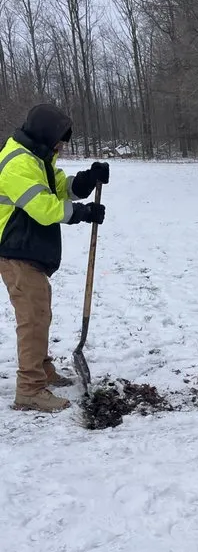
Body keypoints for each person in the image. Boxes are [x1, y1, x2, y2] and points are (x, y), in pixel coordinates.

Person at [0, 103, 108, 413]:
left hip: (27, 248)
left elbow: (59, 187)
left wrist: (87, 180)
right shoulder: (18, 163)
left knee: (40, 313)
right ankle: (29, 389)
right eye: (59, 140)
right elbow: (43, 207)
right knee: (32, 319)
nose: (61, 146)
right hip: (15, 249)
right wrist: (83, 213)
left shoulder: (36, 158)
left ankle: (42, 367)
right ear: (46, 136)